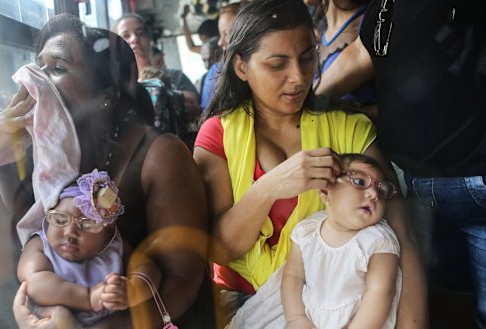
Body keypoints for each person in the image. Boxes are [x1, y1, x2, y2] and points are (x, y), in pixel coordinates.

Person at [0, 14, 210, 329]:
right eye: (37, 66)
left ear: (105, 97)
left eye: (57, 69)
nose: (35, 79)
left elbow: (183, 279)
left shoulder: (159, 155)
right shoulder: (29, 153)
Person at [192, 0, 426, 327]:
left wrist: (413, 323)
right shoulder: (218, 135)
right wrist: (270, 187)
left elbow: (402, 234)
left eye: (307, 58)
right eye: (277, 64)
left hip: (345, 303)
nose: (299, 78)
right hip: (245, 302)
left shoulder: (348, 129)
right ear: (242, 67)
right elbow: (218, 249)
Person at [316, 0, 486, 327]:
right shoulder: (384, 7)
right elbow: (363, 53)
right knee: (444, 306)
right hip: (422, 188)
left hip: (476, 178)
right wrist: (306, 105)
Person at [17, 169, 162, 327]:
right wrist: (88, 297)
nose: (70, 232)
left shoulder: (114, 245)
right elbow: (34, 283)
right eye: (60, 220)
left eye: (87, 225)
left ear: (108, 232)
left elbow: (149, 269)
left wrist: (132, 291)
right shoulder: (40, 244)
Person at [282, 153, 401, 329]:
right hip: (311, 318)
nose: (373, 194)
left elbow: (380, 292)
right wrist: (297, 318)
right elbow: (293, 277)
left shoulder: (378, 240)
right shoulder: (306, 232)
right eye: (360, 182)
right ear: (324, 190)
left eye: (381, 191)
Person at [113, 13, 201, 147]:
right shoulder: (116, 87)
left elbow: (193, 105)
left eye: (140, 33)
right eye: (125, 36)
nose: (134, 39)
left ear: (149, 40)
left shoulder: (174, 76)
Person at [199, 1, 245, 112]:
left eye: (227, 34)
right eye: (221, 34)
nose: (220, 42)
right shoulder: (216, 72)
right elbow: (208, 112)